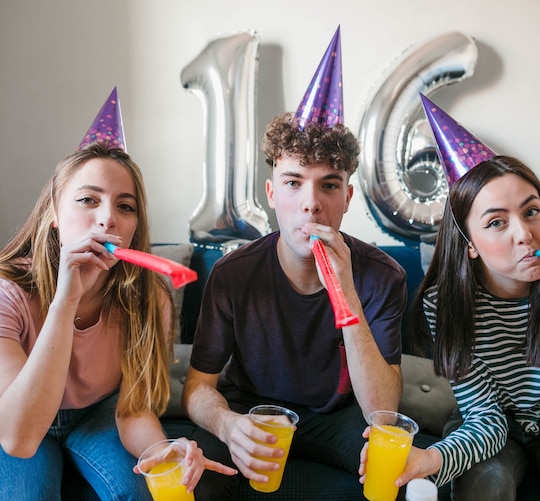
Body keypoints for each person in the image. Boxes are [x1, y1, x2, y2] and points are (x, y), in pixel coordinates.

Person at [359, 96, 540, 500]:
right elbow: (485, 421)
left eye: (532, 212)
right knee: (483, 485)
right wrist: (430, 460)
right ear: (470, 245)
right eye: (497, 222)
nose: (524, 234)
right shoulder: (444, 305)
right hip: (491, 427)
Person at [182, 27, 407, 499]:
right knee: (196, 484)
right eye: (292, 182)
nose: (310, 203)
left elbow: (382, 409)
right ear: (271, 194)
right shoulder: (233, 274)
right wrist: (226, 424)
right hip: (252, 411)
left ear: (347, 197)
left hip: (337, 418)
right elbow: (198, 387)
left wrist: (343, 290)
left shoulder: (382, 276)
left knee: (403, 475)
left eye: (328, 185)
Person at [0, 90, 236, 501]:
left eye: (124, 206)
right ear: (54, 214)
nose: (108, 217)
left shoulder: (150, 298)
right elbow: (19, 438)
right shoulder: (9, 294)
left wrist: (162, 449)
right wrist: (65, 300)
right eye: (88, 199)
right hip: (19, 420)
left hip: (98, 414)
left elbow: (134, 408)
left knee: (143, 492)